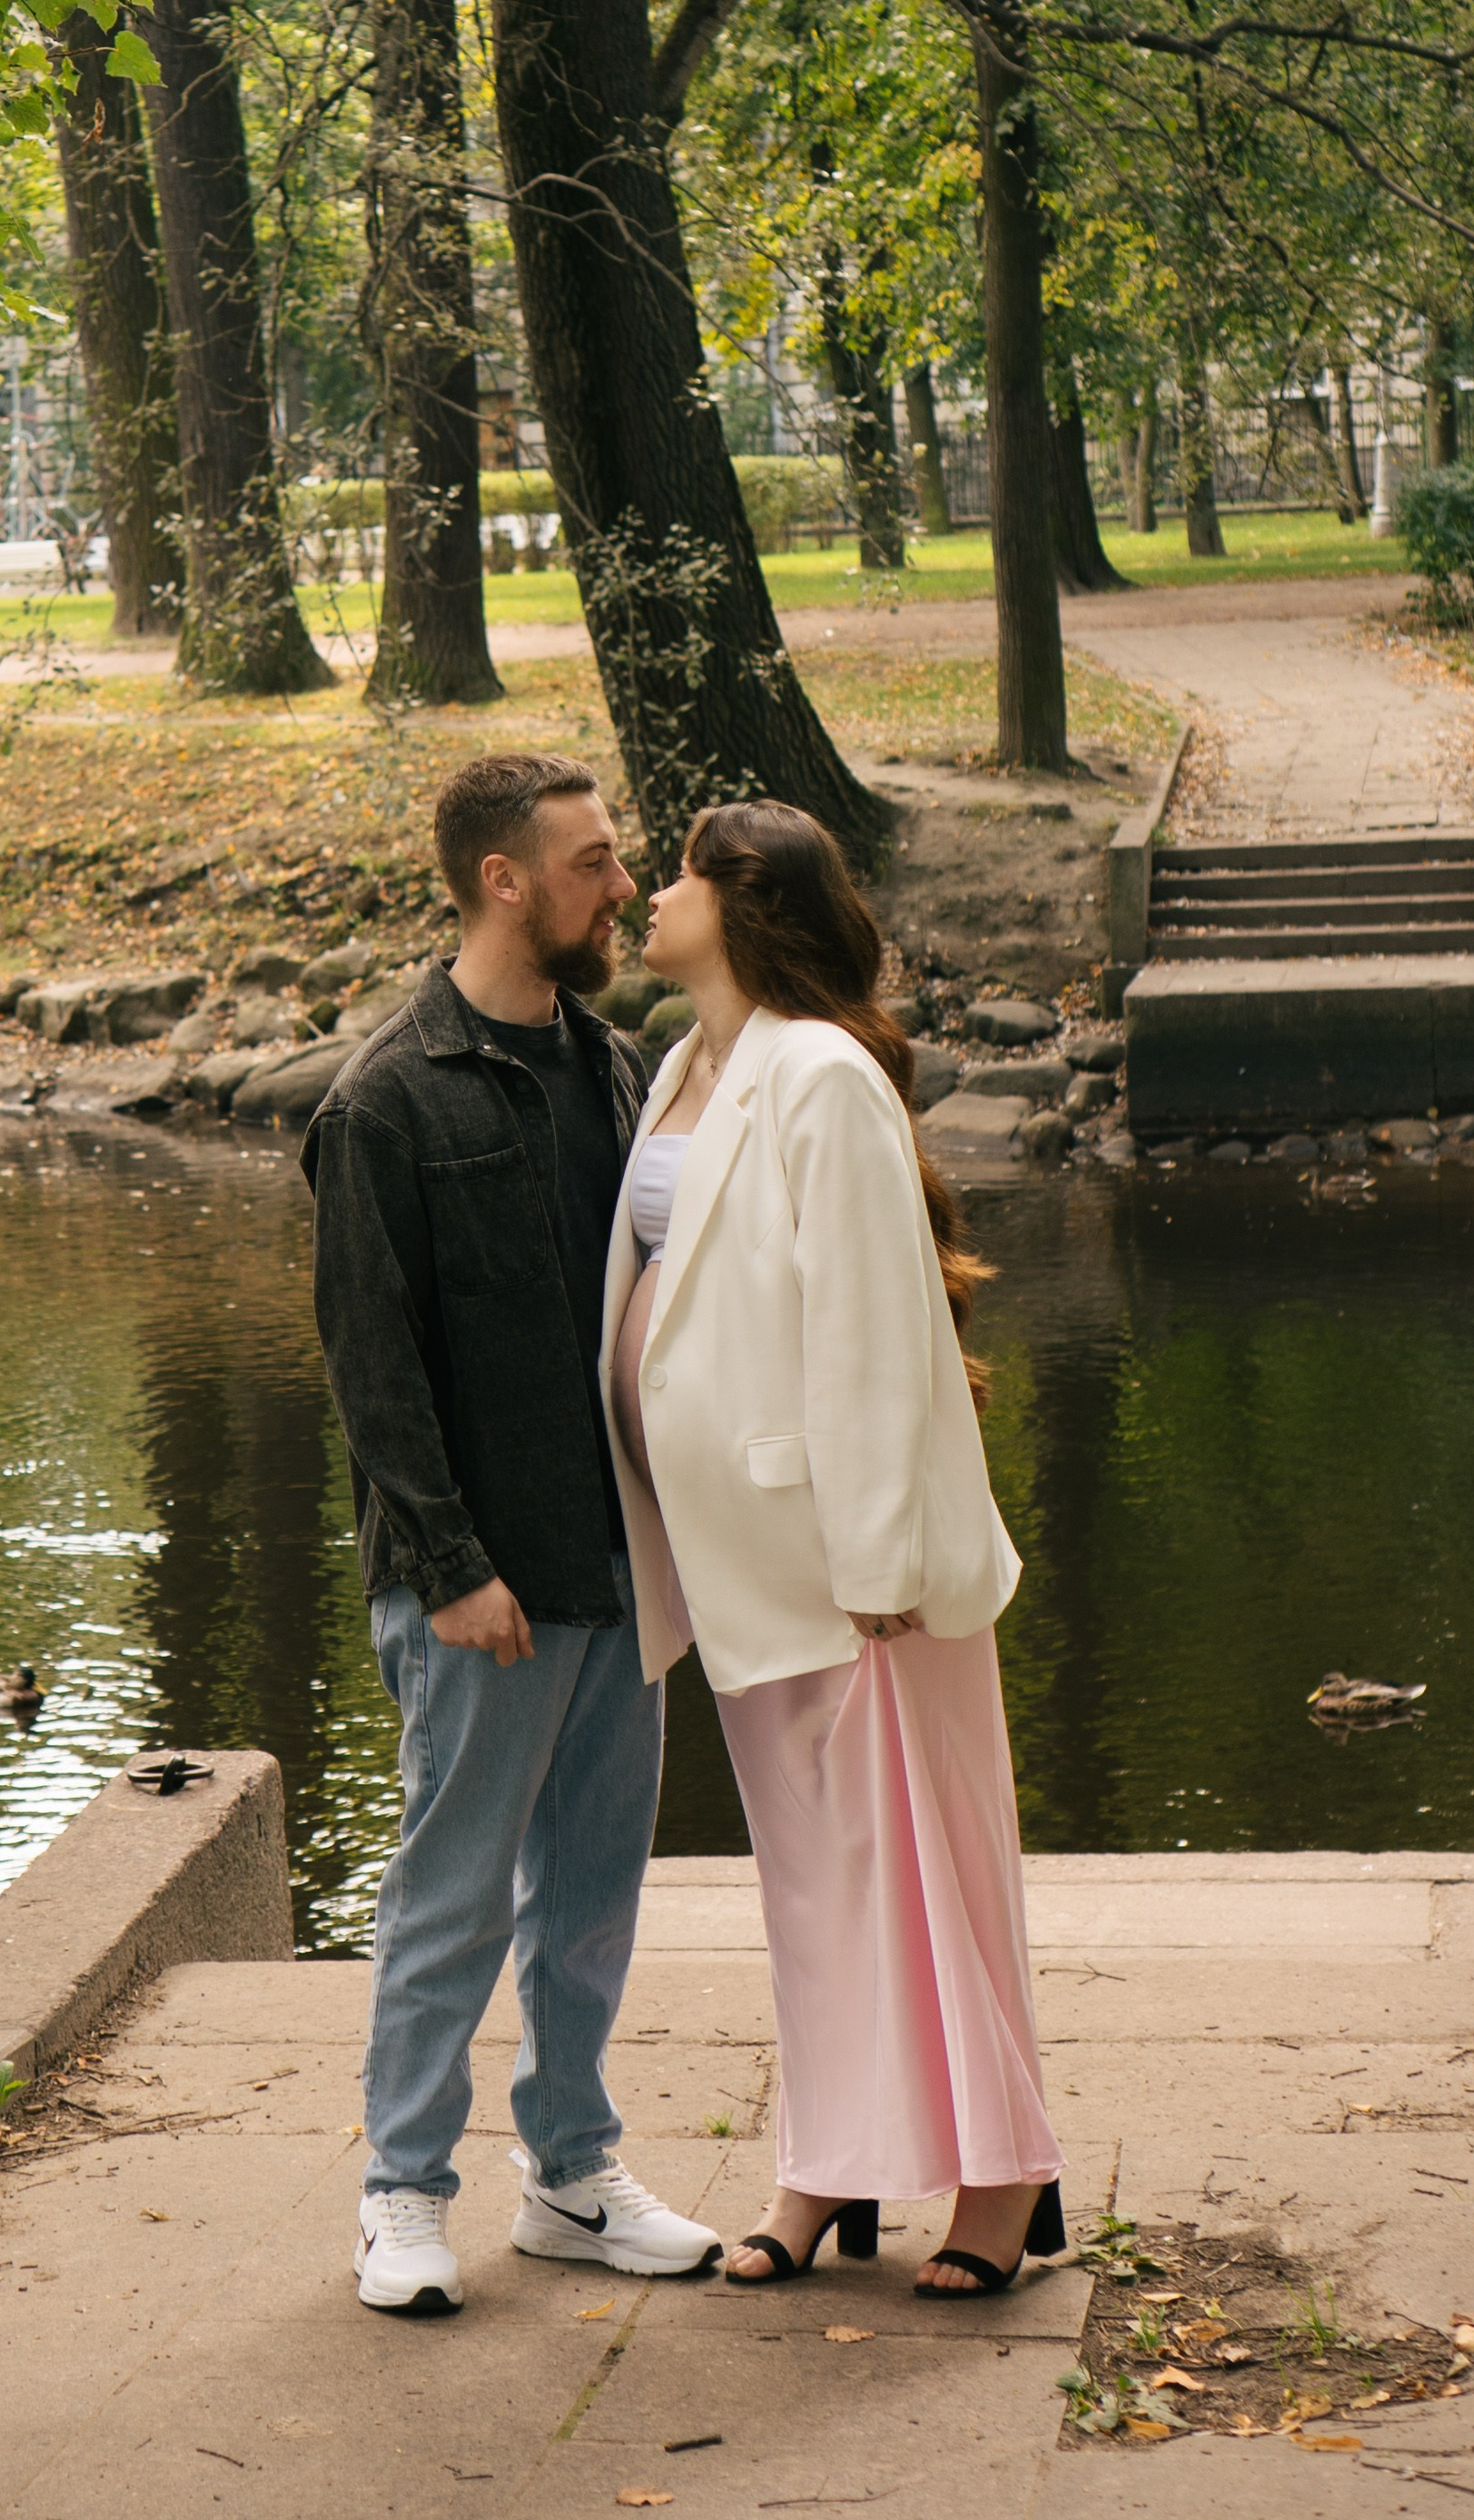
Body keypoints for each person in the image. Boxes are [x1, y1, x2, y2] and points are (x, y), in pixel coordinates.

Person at [601, 799, 1063, 2300]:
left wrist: (877, 1559)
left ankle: (1003, 2181)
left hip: (852, 1566)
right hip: (737, 1554)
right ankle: (829, 2167)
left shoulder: (821, 1075)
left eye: (674, 872)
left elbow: (876, 1326)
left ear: (743, 903)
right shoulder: (689, 1062)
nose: (649, 897)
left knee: (926, 1870)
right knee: (811, 1886)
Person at [302, 752, 724, 2319]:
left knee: (594, 1891)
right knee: (454, 1893)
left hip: (625, 1561)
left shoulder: (616, 1069)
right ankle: (403, 2193)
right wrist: (452, 1568)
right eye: (596, 863)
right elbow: (373, 1366)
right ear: (504, 880)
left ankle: (570, 2174)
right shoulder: (386, 1099)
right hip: (481, 1585)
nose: (623, 889)